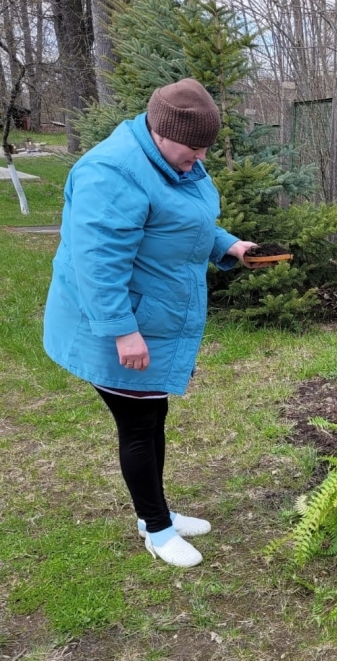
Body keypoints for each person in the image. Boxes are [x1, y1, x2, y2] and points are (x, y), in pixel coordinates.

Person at [43, 78, 257, 569]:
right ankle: (156, 529)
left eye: (205, 148)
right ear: (161, 131)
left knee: (152, 418)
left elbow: (183, 220)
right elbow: (96, 263)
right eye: (193, 148)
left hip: (148, 316)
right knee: (138, 427)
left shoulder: (170, 161)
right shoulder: (110, 172)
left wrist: (227, 245)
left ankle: (156, 513)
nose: (199, 158)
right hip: (114, 323)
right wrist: (122, 331)